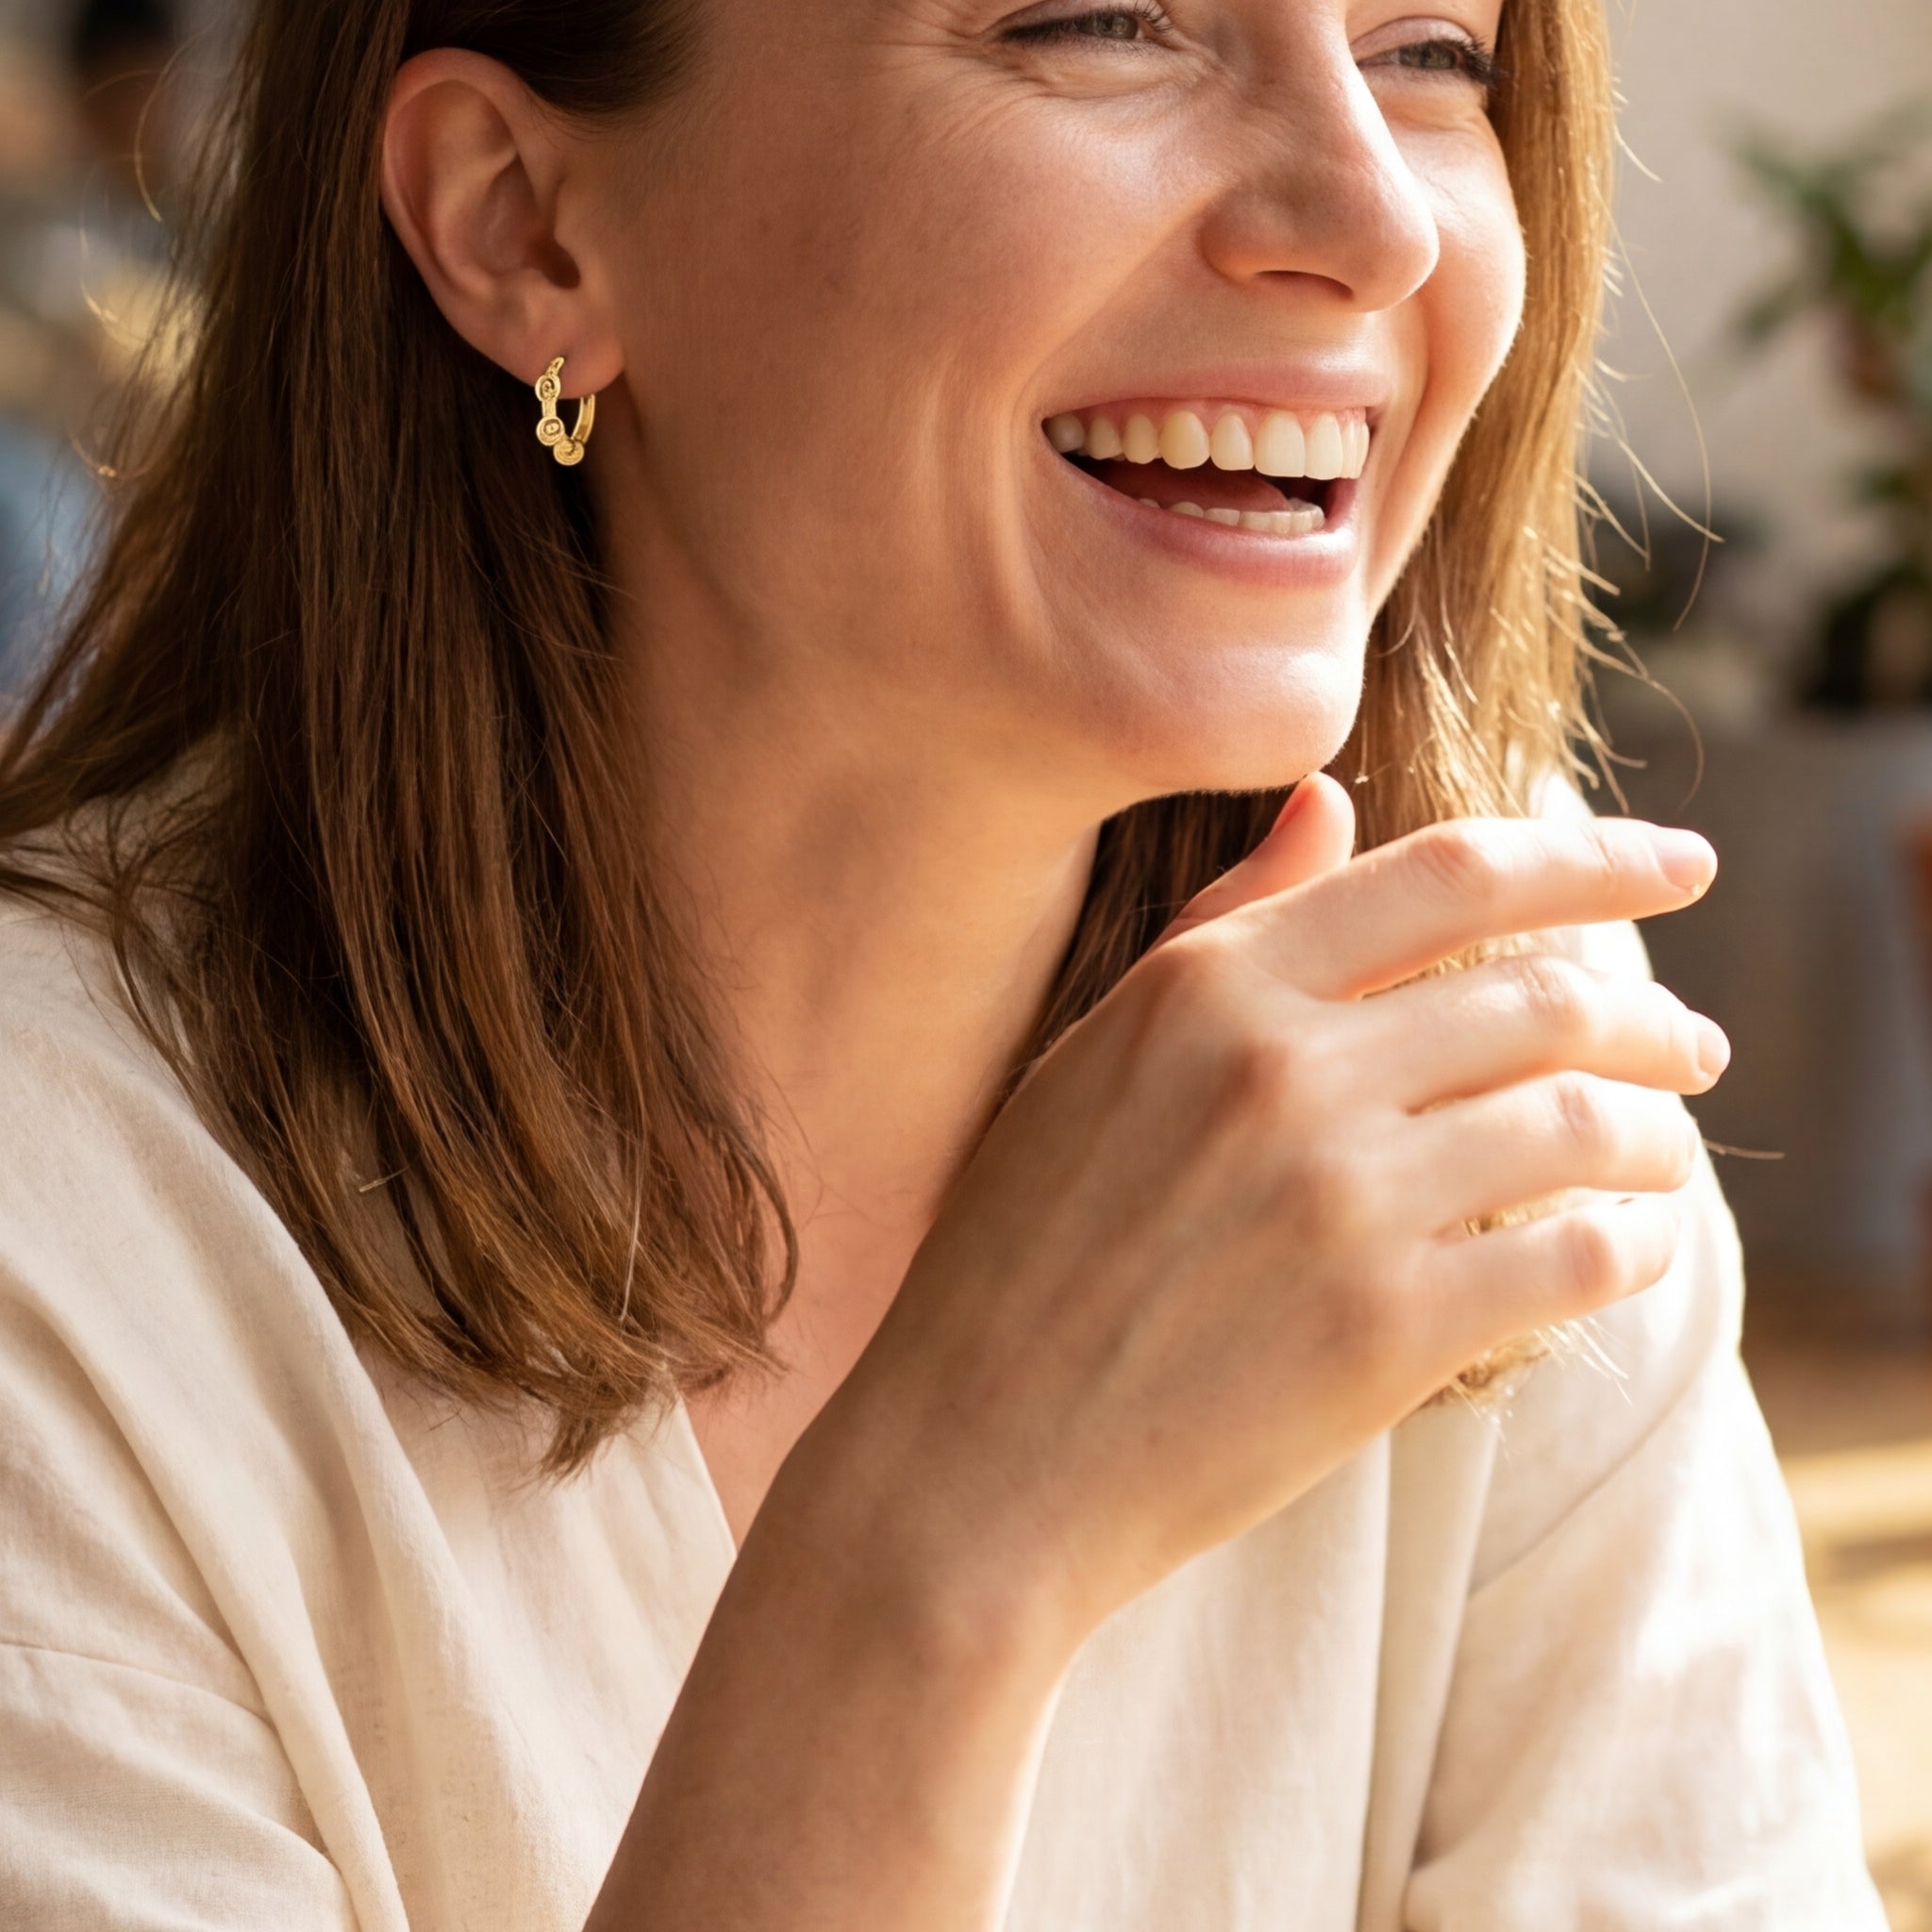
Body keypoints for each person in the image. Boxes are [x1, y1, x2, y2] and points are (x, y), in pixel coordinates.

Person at [0, 1, 1886, 1926]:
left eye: (1431, 53)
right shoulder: (55, 1252)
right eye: (1098, 22)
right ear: (522, 227)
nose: (1370, 216)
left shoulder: (1489, 1095)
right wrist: (939, 1555)